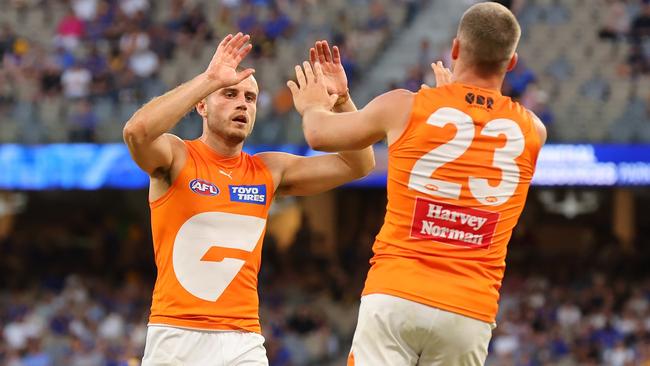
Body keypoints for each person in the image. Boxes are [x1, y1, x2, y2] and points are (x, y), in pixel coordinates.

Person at [286, 3, 547, 365]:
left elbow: (318, 134)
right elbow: (472, 134)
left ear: (455, 49)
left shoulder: (405, 106)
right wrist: (454, 96)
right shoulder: (533, 129)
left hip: (396, 292)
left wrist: (316, 104)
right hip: (469, 308)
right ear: (512, 62)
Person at [123, 33, 373, 365]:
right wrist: (209, 79)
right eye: (230, 94)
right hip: (176, 336)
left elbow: (359, 163)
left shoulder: (268, 170)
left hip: (243, 340)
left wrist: (341, 100)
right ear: (202, 105)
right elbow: (136, 132)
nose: (243, 103)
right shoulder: (176, 156)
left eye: (251, 98)